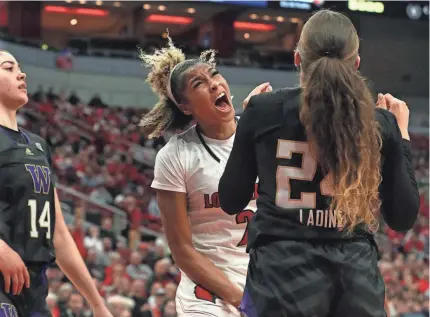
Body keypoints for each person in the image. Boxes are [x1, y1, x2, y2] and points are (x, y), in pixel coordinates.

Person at [218, 10, 420, 317]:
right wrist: (401, 135)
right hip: (355, 287)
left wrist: (249, 127)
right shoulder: (379, 123)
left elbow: (231, 200)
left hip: (278, 281)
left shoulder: (263, 110)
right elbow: (403, 218)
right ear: (356, 64)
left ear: (298, 59)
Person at [138, 37, 271, 317]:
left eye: (214, 75)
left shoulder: (264, 137)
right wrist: (241, 299)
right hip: (208, 291)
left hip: (265, 280)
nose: (214, 84)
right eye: (198, 84)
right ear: (186, 107)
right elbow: (182, 250)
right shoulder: (175, 156)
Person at [0, 50, 113, 316]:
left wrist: (97, 304)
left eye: (19, 67)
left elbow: (58, 234)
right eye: (8, 67)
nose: (21, 73)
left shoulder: (38, 146)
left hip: (33, 286)